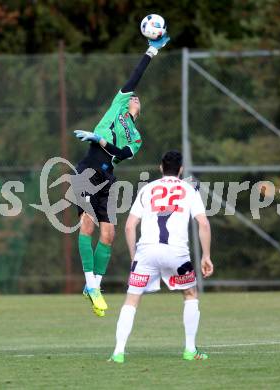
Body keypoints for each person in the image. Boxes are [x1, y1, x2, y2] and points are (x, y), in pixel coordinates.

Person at [73, 34, 170, 317]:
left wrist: (100, 140)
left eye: (138, 100)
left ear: (139, 111)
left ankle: (94, 286)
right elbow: (135, 76)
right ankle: (91, 285)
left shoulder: (136, 137)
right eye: (132, 97)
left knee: (109, 233)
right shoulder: (117, 107)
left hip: (106, 177)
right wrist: (152, 51)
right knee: (87, 224)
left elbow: (122, 153)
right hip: (88, 169)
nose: (135, 98)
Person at [109, 150, 214, 363]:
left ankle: (118, 352)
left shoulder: (147, 189)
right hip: (177, 253)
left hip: (146, 252)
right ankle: (190, 350)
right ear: (181, 169)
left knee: (131, 300)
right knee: (190, 295)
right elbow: (203, 223)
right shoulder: (189, 189)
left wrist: (134, 258)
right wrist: (206, 256)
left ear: (160, 168)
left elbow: (129, 226)